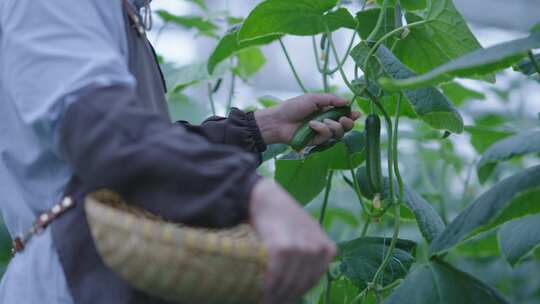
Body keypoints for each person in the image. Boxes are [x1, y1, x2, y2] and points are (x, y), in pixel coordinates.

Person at [0, 0, 360, 303]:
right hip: (72, 282)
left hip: (113, 270)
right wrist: (253, 194)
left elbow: (136, 153)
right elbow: (106, 133)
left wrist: (257, 129)